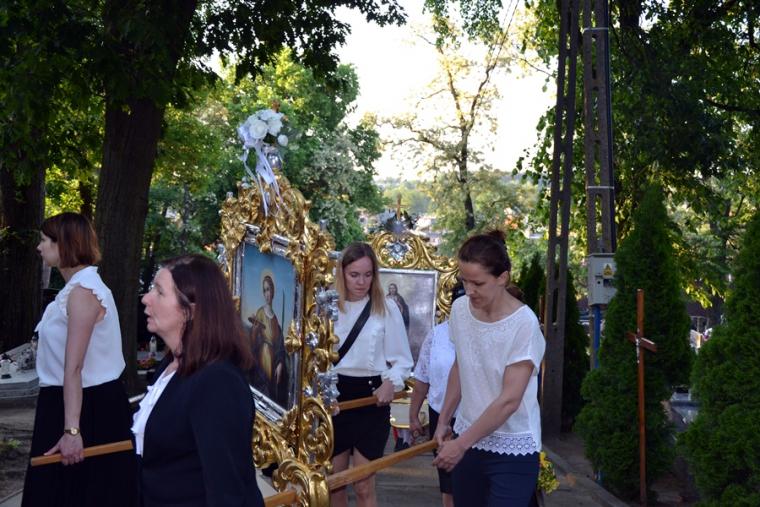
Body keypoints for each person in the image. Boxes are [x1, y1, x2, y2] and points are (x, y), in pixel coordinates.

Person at [23, 212, 136, 507]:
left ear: (64, 244)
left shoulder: (83, 292)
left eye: (45, 240)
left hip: (88, 408)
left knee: (79, 494)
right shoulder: (73, 290)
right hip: (67, 402)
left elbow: (74, 367)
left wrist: (72, 431)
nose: (39, 247)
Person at [133, 254, 264, 507]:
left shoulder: (217, 383)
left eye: (159, 292)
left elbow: (227, 491)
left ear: (189, 311)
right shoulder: (172, 363)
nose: (146, 298)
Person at [432, 231, 546, 506]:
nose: (469, 290)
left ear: (502, 278)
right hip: (468, 438)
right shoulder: (460, 310)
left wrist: (460, 445)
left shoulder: (524, 323)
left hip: (513, 447)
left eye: (478, 283)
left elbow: (509, 401)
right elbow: (461, 366)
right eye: (464, 281)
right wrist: (444, 420)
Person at [331, 242, 413, 507]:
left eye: (368, 275)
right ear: (342, 273)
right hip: (335, 399)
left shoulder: (386, 307)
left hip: (372, 400)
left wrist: (390, 382)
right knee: (334, 483)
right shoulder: (327, 307)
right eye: (354, 275)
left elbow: (403, 361)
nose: (361, 282)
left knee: (364, 485)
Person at [408, 282, 466, 507]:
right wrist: (413, 415)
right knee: (448, 482)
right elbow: (422, 378)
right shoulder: (437, 335)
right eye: (459, 303)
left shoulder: (486, 333)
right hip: (440, 415)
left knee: (470, 481)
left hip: (474, 418)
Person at [248, 273, 288, 407]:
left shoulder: (275, 319)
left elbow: (280, 345)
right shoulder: (260, 312)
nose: (266, 294)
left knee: (272, 391)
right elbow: (253, 339)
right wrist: (254, 331)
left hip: (273, 359)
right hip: (262, 355)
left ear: (273, 291)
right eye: (264, 290)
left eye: (268, 289)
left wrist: (280, 363)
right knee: (263, 387)